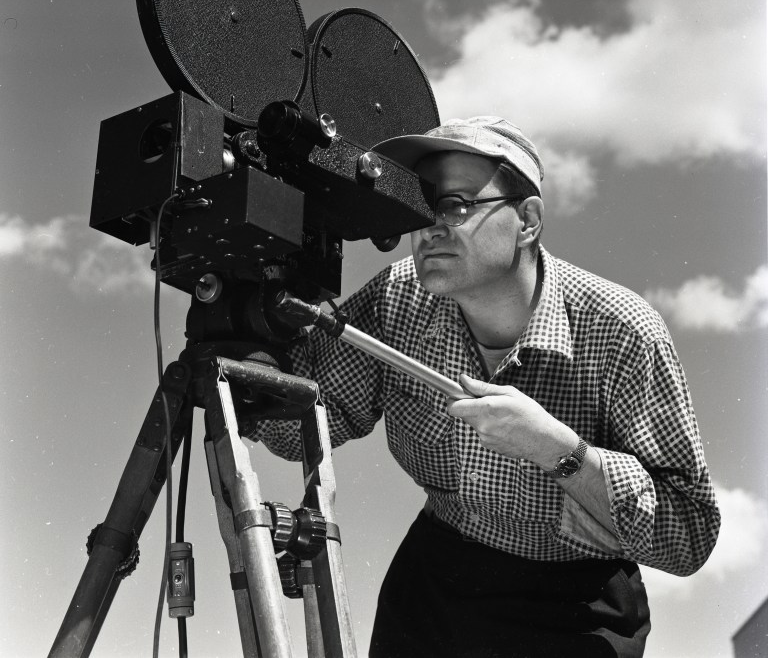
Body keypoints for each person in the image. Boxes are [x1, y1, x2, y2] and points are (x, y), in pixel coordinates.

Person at [253, 116, 720, 657]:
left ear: (527, 220)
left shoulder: (622, 332)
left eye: (454, 205)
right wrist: (255, 348)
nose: (430, 228)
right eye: (419, 208)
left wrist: (558, 450)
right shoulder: (398, 299)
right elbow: (302, 429)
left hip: (576, 606)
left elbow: (688, 536)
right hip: (435, 580)